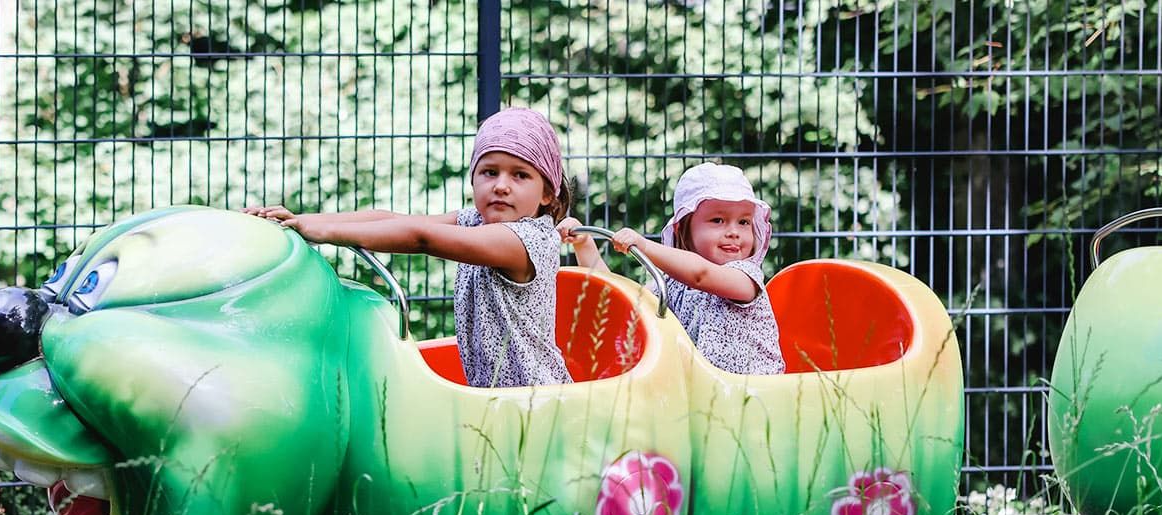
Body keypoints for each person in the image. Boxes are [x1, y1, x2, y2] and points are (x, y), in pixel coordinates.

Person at [244, 108, 573, 388]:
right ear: (473, 180)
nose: (501, 185)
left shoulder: (525, 241)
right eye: (489, 172)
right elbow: (392, 218)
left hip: (537, 400)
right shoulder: (477, 220)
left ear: (547, 194)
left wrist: (325, 232)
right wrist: (302, 221)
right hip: (493, 400)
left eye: (520, 175)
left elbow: (421, 236)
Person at [559, 163, 783, 375]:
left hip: (754, 393)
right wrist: (584, 244)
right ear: (684, 229)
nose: (734, 232)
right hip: (702, 396)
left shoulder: (745, 277)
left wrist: (644, 246)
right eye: (718, 220)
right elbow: (621, 300)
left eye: (744, 222)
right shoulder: (672, 285)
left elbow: (700, 274)